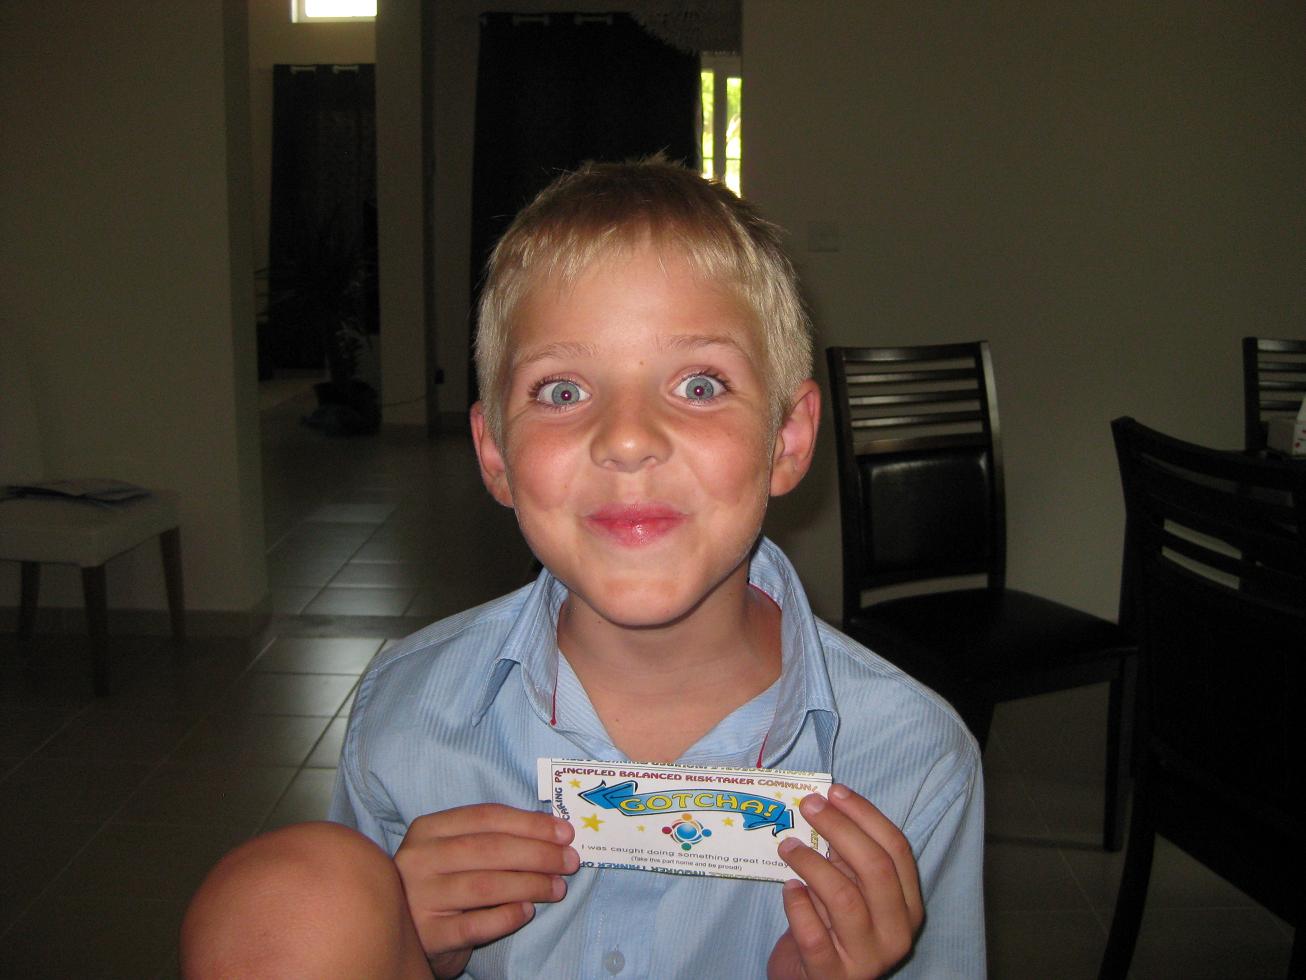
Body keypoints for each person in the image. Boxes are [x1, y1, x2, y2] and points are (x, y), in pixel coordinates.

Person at [181, 158, 985, 979]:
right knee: (285, 899)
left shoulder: (914, 759)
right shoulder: (404, 710)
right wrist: (406, 944)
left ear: (787, 439)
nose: (627, 438)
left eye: (699, 384)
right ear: (495, 454)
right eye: (562, 391)